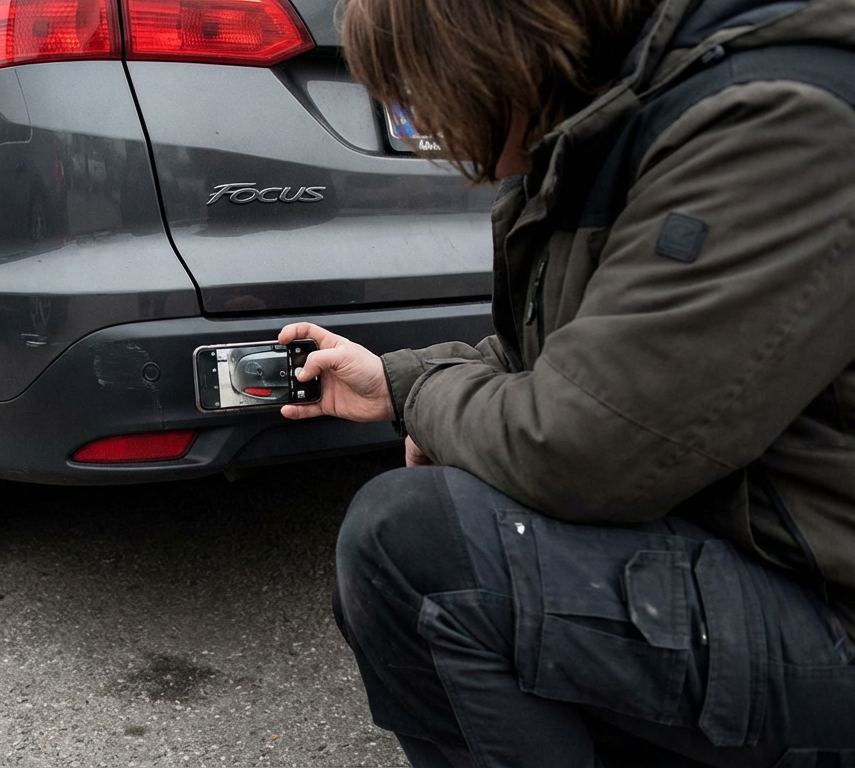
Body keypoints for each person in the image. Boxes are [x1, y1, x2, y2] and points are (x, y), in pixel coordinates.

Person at [278, 0, 855, 763]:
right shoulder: (622, 122)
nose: (427, 128)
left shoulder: (773, 121)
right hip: (765, 566)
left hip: (828, 616)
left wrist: (422, 402)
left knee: (416, 546)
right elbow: (575, 359)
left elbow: (583, 446)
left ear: (485, 51)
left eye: (421, 92)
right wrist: (393, 379)